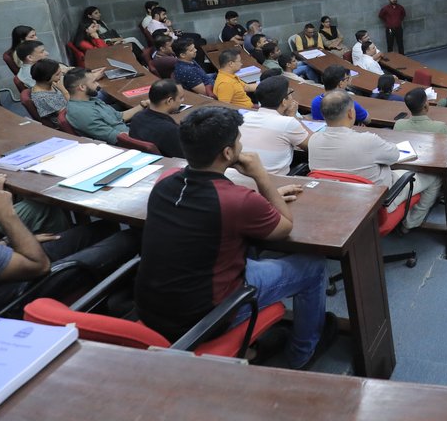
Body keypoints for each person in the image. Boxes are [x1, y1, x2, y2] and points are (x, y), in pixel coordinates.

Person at [134, 106, 333, 370]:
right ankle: (302, 353)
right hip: (208, 315)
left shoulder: (165, 181)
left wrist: (263, 198)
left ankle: (253, 347)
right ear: (228, 153)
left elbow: (217, 198)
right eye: (238, 140)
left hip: (152, 306)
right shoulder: (237, 202)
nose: (241, 144)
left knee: (244, 250)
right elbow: (284, 226)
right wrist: (262, 177)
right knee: (314, 266)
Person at [0, 150, 137, 317]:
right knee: (133, 237)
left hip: (3, 266)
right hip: (25, 291)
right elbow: (39, 267)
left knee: (104, 227)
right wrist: (5, 214)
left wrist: (7, 243)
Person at [308, 91, 442, 230]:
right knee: (434, 177)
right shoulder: (367, 140)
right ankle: (410, 223)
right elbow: (394, 155)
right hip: (377, 203)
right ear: (350, 113)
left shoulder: (313, 140)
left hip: (336, 205)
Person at [239, 76, 313, 176]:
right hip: (273, 184)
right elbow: (313, 146)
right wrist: (293, 116)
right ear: (284, 102)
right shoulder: (288, 123)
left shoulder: (244, 117)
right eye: (290, 93)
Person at [63, 68, 146, 144]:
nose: (98, 84)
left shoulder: (90, 100)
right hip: (129, 142)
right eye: (94, 82)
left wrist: (143, 104)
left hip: (130, 132)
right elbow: (118, 138)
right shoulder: (82, 113)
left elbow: (120, 116)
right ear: (82, 87)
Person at [128, 79, 186, 158]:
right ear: (169, 101)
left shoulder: (137, 117)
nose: (182, 101)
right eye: (181, 98)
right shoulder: (169, 130)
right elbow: (185, 157)